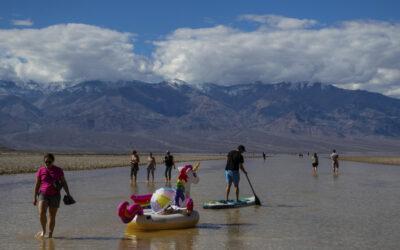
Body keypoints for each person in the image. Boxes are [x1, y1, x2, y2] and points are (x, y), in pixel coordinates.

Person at [33, 153, 72, 238]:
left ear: (53, 161)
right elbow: (37, 184)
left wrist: (68, 193)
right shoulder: (41, 170)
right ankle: (43, 231)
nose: (47, 163)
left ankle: (50, 234)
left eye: (49, 162)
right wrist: (34, 197)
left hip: (55, 195)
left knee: (52, 215)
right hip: (43, 194)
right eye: (46, 162)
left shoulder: (59, 170)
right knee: (41, 213)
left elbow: (64, 182)